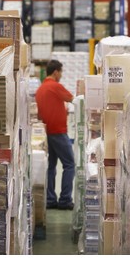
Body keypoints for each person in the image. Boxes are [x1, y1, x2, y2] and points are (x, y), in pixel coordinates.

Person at [35, 59, 75, 210]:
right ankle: (65, 200)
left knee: (51, 166)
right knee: (69, 164)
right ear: (56, 72)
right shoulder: (55, 86)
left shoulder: (41, 89)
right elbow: (73, 99)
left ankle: (50, 200)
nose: (61, 75)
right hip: (58, 131)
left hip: (46, 133)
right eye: (61, 72)